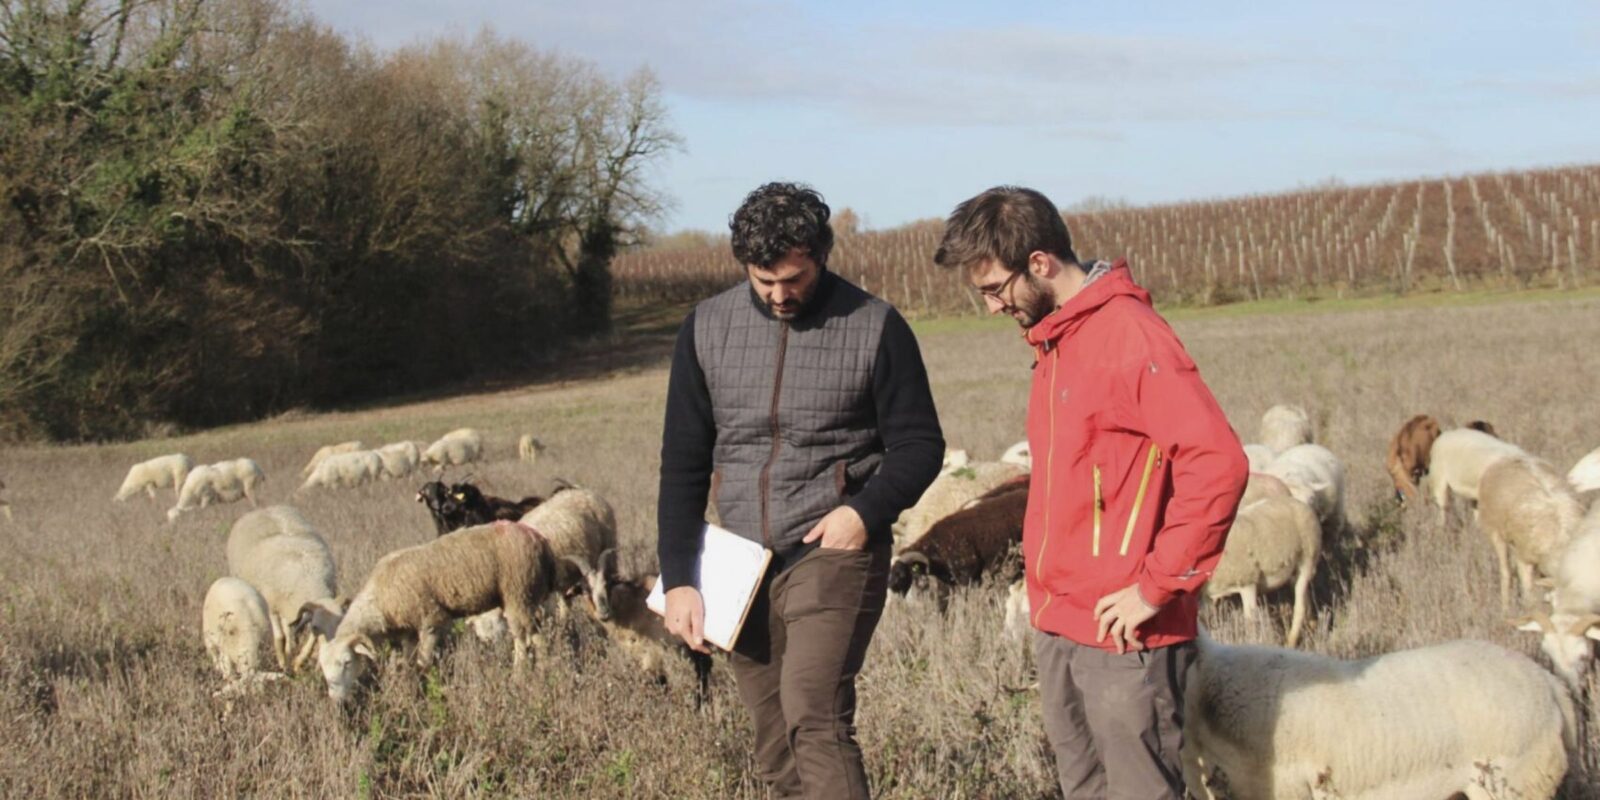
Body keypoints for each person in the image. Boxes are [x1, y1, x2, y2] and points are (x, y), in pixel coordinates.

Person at [934, 186, 1248, 799]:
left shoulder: (1131, 337)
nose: (993, 308)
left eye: (996, 290)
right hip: (1060, 622)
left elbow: (1220, 465)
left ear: (1041, 264)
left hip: (1126, 635)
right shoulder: (1057, 341)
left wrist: (1156, 586)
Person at [658, 182, 945, 799]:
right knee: (773, 738)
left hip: (834, 549)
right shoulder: (705, 329)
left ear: (821, 256)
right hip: (739, 561)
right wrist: (681, 575)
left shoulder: (875, 326)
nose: (780, 295)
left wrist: (863, 513)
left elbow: (921, 446)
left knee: (814, 715)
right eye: (765, 282)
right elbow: (682, 462)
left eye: (794, 278)